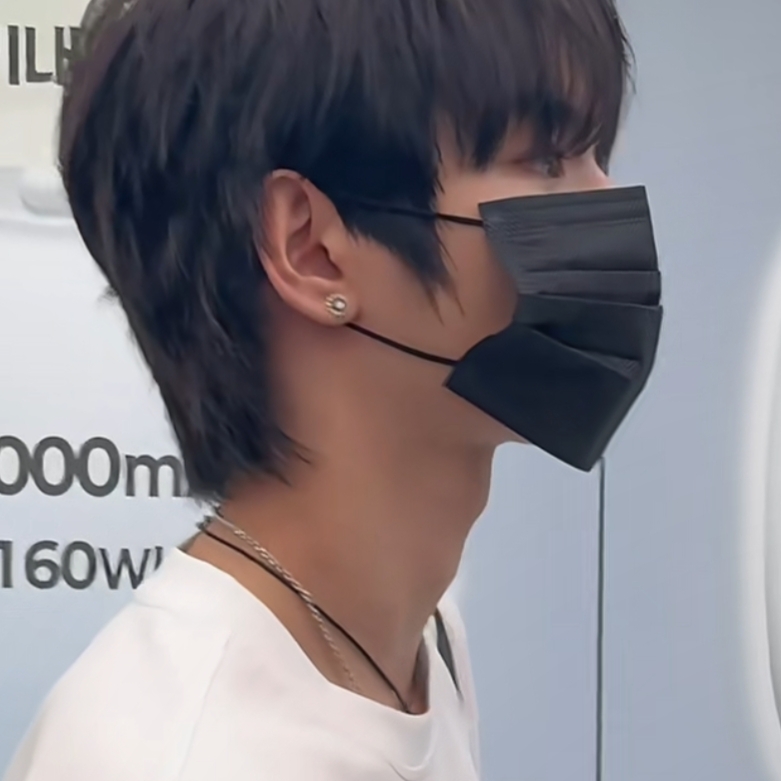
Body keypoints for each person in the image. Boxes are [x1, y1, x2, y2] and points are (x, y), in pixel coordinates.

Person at [3, 0, 662, 779]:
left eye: (594, 155)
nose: (604, 201)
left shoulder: (412, 643)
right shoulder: (180, 753)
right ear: (311, 249)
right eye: (547, 161)